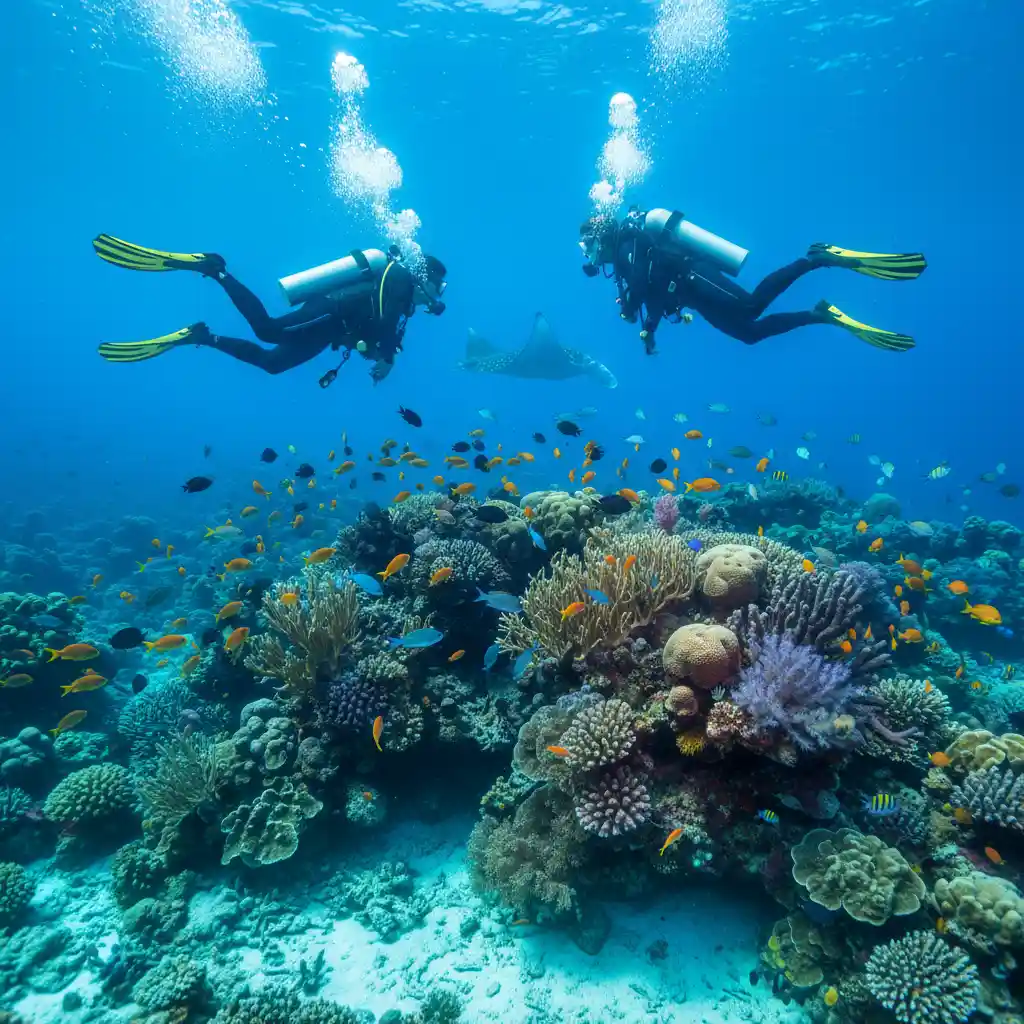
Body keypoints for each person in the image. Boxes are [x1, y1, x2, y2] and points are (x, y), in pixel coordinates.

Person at [93, 235, 447, 385]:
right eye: (439, 285)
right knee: (267, 330)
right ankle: (215, 268)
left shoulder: (405, 302)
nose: (439, 293)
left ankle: (202, 336)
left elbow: (378, 330)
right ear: (426, 278)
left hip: (329, 330)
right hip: (329, 311)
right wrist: (386, 356)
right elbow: (382, 321)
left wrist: (382, 354)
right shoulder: (400, 277)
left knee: (272, 364)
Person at [578, 207, 926, 355]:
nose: (590, 255)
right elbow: (652, 294)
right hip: (692, 296)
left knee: (750, 305)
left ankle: (816, 259)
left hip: (693, 274)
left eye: (589, 245)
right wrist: (650, 329)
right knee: (749, 334)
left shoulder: (627, 245)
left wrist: (628, 307)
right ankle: (821, 314)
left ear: (601, 236)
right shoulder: (624, 261)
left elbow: (641, 284)